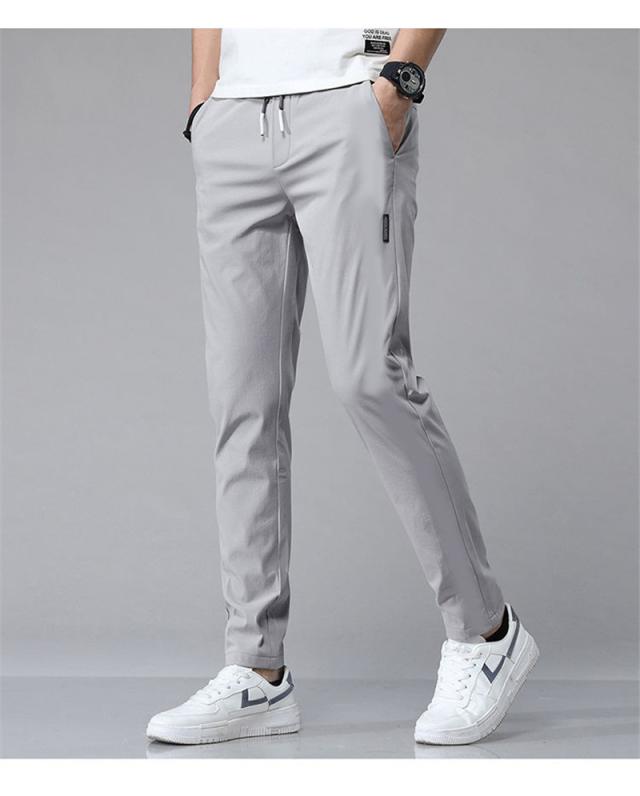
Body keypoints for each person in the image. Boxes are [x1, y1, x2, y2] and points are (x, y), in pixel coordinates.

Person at [147, 28, 539, 747]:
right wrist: (204, 101)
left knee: (370, 377)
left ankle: (487, 633)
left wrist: (397, 82)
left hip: (350, 99)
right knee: (242, 403)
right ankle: (257, 670)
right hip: (233, 120)